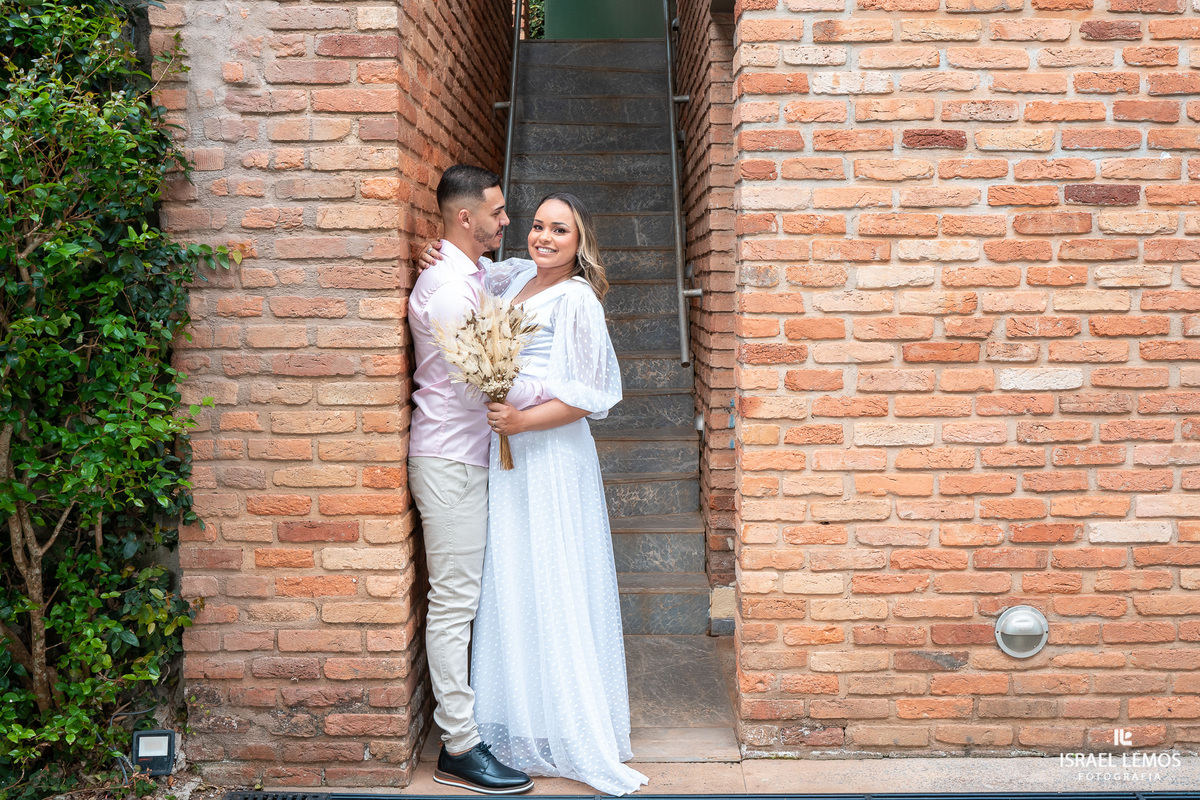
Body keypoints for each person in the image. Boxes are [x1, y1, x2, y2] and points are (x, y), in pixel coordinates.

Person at [421, 193, 647, 795]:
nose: (544, 237)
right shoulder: (515, 277)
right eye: (539, 225)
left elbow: (587, 397)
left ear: (580, 242)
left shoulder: (575, 299)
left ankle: (568, 726)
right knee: (515, 581)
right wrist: (436, 256)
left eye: (560, 230)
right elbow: (471, 268)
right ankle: (522, 721)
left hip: (550, 456)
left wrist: (521, 422)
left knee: (553, 576)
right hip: (507, 461)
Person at [407, 164, 534, 795]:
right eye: (497, 211)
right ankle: (459, 746)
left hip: (467, 457)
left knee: (465, 598)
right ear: (466, 217)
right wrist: (552, 397)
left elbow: (532, 268)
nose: (506, 220)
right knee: (454, 602)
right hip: (451, 460)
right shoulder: (451, 290)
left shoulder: (471, 274)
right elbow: (473, 385)